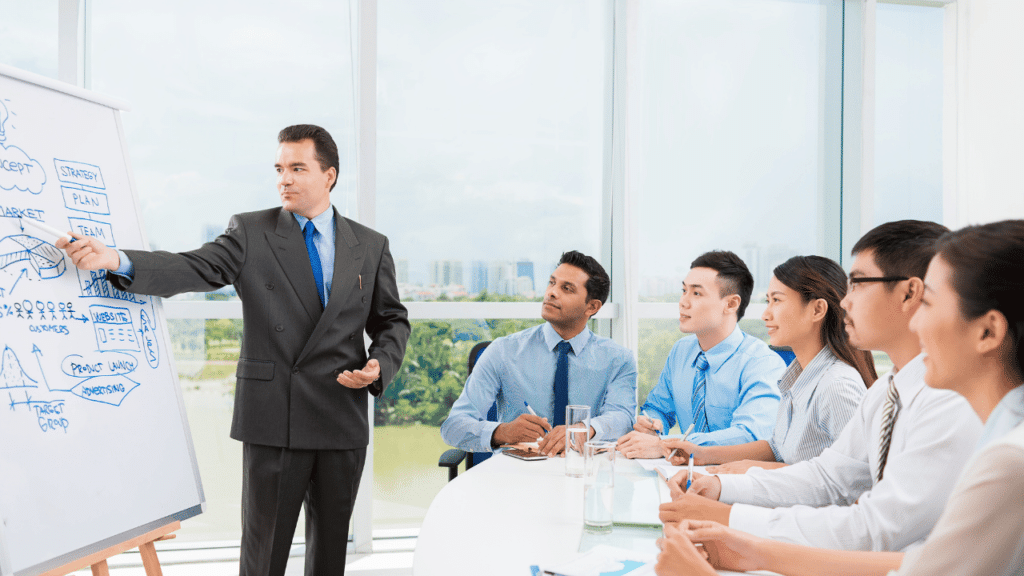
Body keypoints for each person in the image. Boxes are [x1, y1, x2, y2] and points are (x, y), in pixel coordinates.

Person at [56, 124, 411, 576]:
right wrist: (115, 259)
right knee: (264, 556)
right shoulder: (251, 231)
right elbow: (192, 266)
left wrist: (379, 363)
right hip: (275, 415)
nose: (285, 178)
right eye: (280, 168)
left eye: (298, 168)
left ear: (329, 175)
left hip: (340, 412)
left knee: (329, 558)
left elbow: (392, 319)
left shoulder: (371, 245)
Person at [653, 219, 1024, 576]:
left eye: (929, 303)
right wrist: (740, 529)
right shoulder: (888, 391)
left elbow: (882, 533)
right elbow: (834, 481)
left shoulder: (996, 448)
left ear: (988, 331)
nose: (844, 302)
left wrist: (731, 528)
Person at [662, 255, 876, 473]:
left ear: (817, 310)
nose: (766, 314)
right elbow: (777, 448)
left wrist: (749, 472)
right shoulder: (795, 379)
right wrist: (702, 454)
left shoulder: (837, 386)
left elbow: (855, 481)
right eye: (767, 301)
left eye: (777, 300)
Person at [440, 250, 637, 457]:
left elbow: (623, 418)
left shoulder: (618, 359)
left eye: (566, 288)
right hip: (517, 475)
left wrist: (583, 430)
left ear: (592, 306)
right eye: (552, 283)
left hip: (585, 472)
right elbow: (453, 427)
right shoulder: (503, 352)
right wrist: (502, 432)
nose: (551, 292)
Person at [617, 251, 786, 458]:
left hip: (736, 479)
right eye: (683, 291)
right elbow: (657, 407)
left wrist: (668, 444)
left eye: (696, 293)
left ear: (731, 304)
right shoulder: (681, 352)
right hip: (682, 475)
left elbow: (750, 436)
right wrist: (651, 425)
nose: (683, 302)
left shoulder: (763, 364)